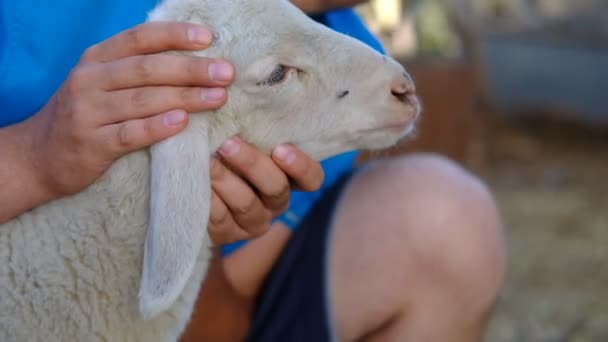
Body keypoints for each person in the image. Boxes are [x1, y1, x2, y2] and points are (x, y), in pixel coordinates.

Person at [0, 1, 506, 341]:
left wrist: (208, 236)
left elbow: (217, 327)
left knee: (443, 217)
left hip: (151, 294)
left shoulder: (345, 57)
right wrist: (30, 157)